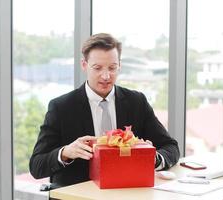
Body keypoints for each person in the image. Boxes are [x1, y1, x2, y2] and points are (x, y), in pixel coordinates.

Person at [29, 33, 180, 187]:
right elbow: (36, 165)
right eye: (97, 68)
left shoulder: (137, 102)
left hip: (127, 192)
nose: (106, 76)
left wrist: (151, 158)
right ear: (84, 65)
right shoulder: (61, 107)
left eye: (112, 68)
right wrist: (66, 152)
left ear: (119, 65)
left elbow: (171, 147)